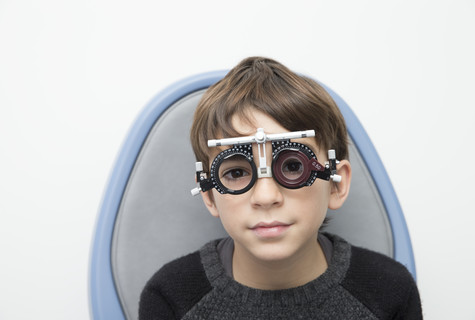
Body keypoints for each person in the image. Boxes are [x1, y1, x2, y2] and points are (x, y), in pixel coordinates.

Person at [139, 57, 422, 319]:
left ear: (336, 183)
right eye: (236, 172)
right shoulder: (171, 298)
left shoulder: (389, 292)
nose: (266, 197)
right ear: (209, 194)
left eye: (292, 166)